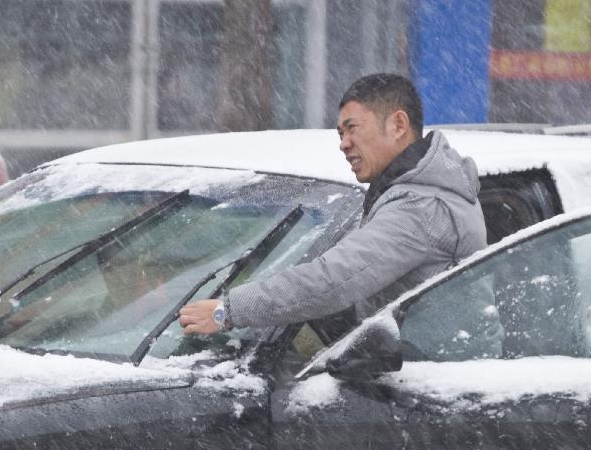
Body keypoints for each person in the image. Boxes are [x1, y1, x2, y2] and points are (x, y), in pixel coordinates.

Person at [178, 73, 487, 335]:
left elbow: (334, 280)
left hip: (427, 384)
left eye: (352, 128)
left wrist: (227, 311)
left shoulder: (420, 207)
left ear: (398, 125)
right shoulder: (406, 193)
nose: (343, 144)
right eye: (340, 134)